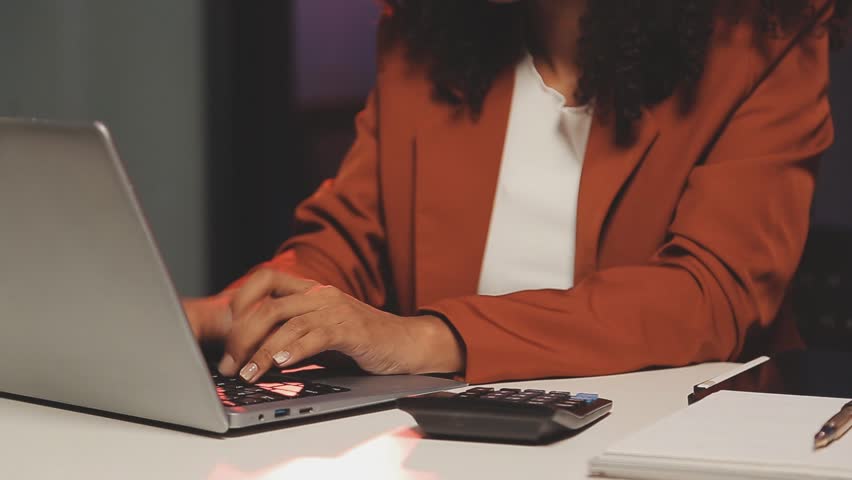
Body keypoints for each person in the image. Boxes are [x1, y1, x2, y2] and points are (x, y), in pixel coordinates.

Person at [185, 0, 850, 384]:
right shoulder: (427, 22)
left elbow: (709, 294)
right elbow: (354, 233)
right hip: (453, 445)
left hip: (673, 447)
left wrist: (426, 338)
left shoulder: (767, 31)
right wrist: (276, 301)